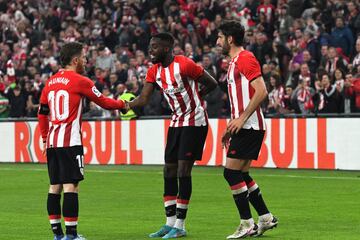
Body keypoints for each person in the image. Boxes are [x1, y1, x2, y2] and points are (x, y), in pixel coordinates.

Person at [126, 32, 217, 239]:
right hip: (176, 121)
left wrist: (197, 97)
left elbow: (212, 83)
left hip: (195, 121)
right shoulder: (153, 72)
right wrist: (123, 105)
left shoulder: (184, 64)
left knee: (183, 170)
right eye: (150, 47)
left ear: (166, 49)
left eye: (154, 47)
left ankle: (181, 226)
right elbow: (143, 98)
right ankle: (169, 223)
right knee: (169, 170)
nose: (150, 51)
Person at [37, 41, 127, 240]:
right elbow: (103, 101)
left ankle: (57, 234)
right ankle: (71, 235)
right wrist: (123, 104)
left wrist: (44, 138)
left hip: (53, 142)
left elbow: (42, 113)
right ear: (75, 60)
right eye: (84, 57)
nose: (86, 61)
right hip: (70, 142)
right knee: (71, 186)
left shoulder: (49, 82)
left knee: (54, 187)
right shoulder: (81, 81)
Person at [216, 20, 278, 239]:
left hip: (250, 125)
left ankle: (246, 223)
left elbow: (262, 91)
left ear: (230, 39)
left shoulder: (245, 58)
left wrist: (241, 119)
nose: (217, 41)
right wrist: (232, 126)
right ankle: (265, 217)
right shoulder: (233, 62)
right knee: (241, 174)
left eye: (220, 37)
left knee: (230, 173)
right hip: (245, 125)